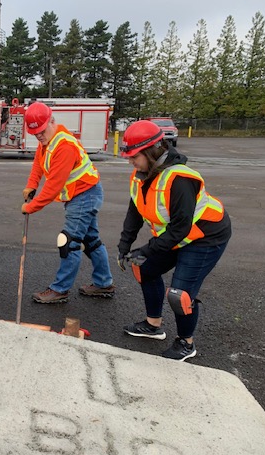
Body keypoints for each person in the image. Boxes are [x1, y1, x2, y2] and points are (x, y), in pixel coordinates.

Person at [118, 120, 231, 361]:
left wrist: (147, 248)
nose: (130, 161)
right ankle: (153, 325)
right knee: (143, 268)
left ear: (152, 150)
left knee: (180, 293)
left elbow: (180, 228)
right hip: (178, 235)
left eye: (134, 156)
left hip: (206, 235)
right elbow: (135, 211)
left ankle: (186, 343)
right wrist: (124, 246)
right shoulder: (141, 175)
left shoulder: (180, 179)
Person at [20, 101, 114, 304]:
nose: (39, 136)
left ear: (52, 121)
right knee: (91, 241)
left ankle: (59, 289)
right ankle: (103, 283)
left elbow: (53, 186)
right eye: (35, 133)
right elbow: (38, 162)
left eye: (42, 132)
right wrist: (31, 184)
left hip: (84, 195)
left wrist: (31, 207)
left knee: (69, 242)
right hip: (81, 194)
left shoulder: (64, 146)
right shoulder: (47, 141)